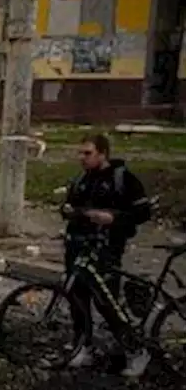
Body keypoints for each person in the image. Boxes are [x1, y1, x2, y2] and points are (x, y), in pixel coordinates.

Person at [60, 133, 153, 377]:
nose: (82, 158)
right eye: (80, 153)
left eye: (88, 153)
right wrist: (68, 211)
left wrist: (114, 219)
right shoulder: (81, 179)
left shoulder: (122, 179)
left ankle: (134, 350)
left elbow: (143, 212)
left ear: (103, 154)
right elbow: (69, 205)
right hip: (78, 246)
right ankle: (84, 345)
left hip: (106, 248)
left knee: (106, 301)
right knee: (76, 298)